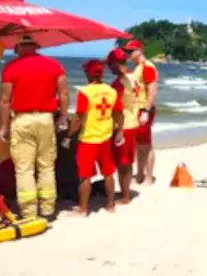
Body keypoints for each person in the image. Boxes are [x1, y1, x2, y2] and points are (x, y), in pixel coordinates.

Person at [0, 36, 69, 220]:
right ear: (36, 46)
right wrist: (62, 116)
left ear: (19, 47)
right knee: (46, 166)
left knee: (24, 168)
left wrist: (4, 126)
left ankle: (29, 211)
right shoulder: (54, 65)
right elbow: (63, 93)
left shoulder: (11, 67)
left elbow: (5, 100)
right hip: (46, 118)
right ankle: (47, 208)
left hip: (22, 119)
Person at [65, 60, 123, 215]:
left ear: (88, 73)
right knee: (108, 173)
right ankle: (110, 205)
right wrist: (119, 132)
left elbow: (78, 118)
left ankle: (83, 209)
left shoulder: (85, 92)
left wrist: (68, 136)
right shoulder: (111, 91)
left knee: (85, 176)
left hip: (89, 139)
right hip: (105, 138)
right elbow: (119, 114)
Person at [122, 39, 158, 185]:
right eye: (127, 51)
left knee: (146, 144)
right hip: (135, 110)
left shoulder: (147, 67)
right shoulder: (136, 68)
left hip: (144, 109)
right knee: (138, 145)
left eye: (130, 51)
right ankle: (139, 173)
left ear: (139, 51)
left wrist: (146, 111)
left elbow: (152, 90)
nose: (128, 54)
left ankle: (148, 176)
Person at [107, 48, 140, 204]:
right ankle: (126, 193)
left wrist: (117, 130)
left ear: (115, 64)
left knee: (122, 163)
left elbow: (117, 109)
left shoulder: (117, 84)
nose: (108, 68)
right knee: (128, 161)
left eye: (110, 64)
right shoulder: (133, 78)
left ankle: (125, 196)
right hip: (133, 122)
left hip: (123, 126)